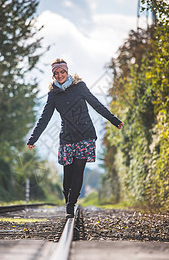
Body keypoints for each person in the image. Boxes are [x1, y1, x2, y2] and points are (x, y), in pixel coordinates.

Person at [27, 59, 124, 218]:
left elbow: (96, 104)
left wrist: (115, 121)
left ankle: (70, 205)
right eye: (56, 73)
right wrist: (33, 139)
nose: (59, 75)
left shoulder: (80, 87)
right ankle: (68, 199)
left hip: (85, 134)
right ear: (53, 76)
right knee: (67, 173)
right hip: (67, 137)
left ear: (67, 71)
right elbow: (44, 118)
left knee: (79, 170)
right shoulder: (53, 95)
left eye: (62, 72)